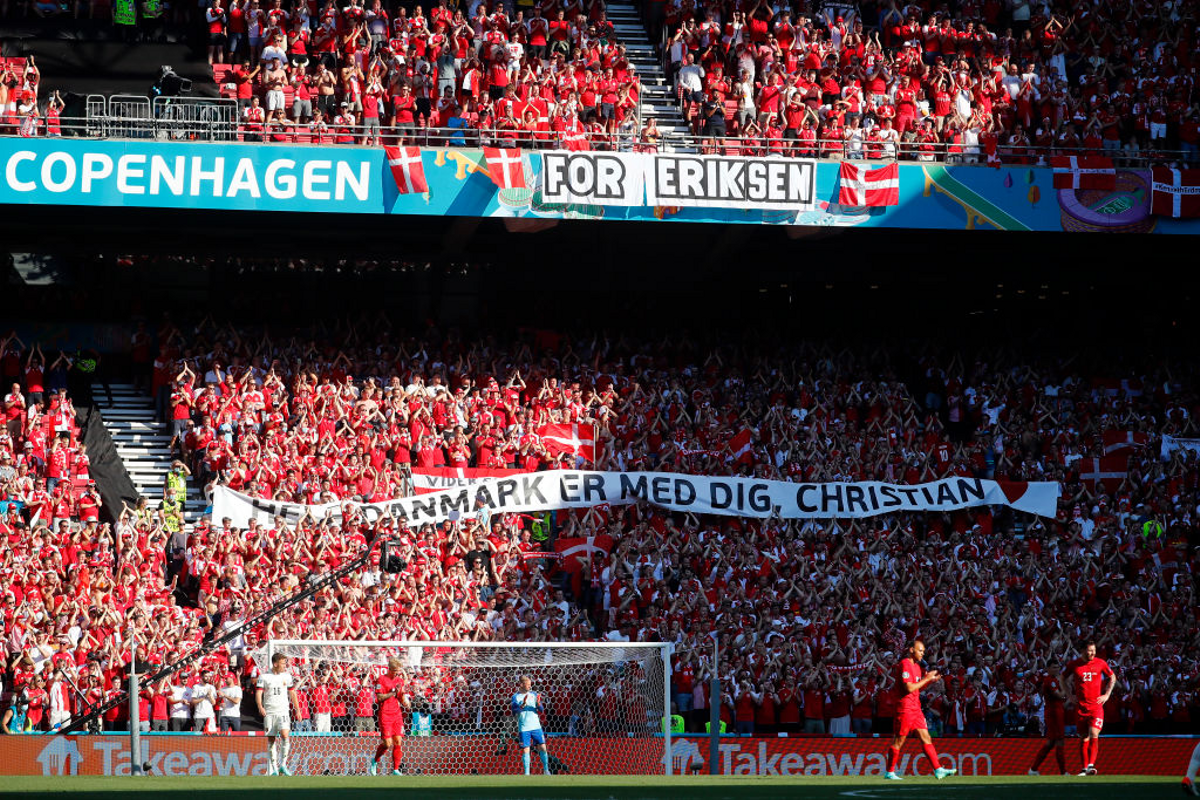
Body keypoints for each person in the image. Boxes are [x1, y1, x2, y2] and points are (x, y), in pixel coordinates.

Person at [883, 639, 955, 781]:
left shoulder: (917, 667)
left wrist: (930, 681)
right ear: (911, 650)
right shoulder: (905, 664)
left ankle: (938, 769)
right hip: (905, 708)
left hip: (916, 708)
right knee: (899, 741)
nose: (923, 653)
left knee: (926, 737)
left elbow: (917, 688)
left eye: (923, 651)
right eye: (920, 650)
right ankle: (889, 772)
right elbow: (909, 688)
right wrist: (926, 678)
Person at [1063, 640, 1116, 777]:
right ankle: (1084, 769)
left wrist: (1107, 695)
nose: (1092, 653)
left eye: (1094, 650)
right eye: (1090, 651)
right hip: (1081, 707)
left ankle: (1091, 766)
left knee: (1094, 734)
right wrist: (1069, 695)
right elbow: (1062, 679)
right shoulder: (1074, 664)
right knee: (1083, 738)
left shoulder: (1101, 663)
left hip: (1096, 707)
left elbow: (1112, 677)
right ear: (1082, 651)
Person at [256, 653, 298, 776]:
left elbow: (292, 693)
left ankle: (283, 765)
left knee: (285, 734)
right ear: (275, 664)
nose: (285, 665)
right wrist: (260, 706)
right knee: (271, 739)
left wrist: (297, 710)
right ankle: (274, 769)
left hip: (283, 711)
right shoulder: (264, 677)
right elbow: (258, 693)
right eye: (283, 663)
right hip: (270, 712)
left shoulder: (287, 676)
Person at [369, 657, 411, 775]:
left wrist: (405, 702)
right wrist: (392, 693)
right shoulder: (381, 680)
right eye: (396, 671)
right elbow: (379, 697)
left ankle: (395, 769)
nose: (398, 673)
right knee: (387, 744)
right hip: (385, 714)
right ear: (390, 669)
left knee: (398, 741)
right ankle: (375, 760)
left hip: (397, 714)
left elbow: (400, 696)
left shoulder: (399, 680)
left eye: (399, 671)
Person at [1028, 667, 1068, 775]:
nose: (1056, 669)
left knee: (1051, 743)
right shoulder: (1050, 681)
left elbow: (1062, 698)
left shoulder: (1054, 680)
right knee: (1058, 741)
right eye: (1054, 667)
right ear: (1048, 668)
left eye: (1058, 667)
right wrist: (1065, 685)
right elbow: (1060, 695)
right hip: (1054, 715)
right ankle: (1063, 772)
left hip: (1056, 713)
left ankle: (1034, 769)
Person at [511, 675, 550, 775]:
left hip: (536, 726)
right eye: (528, 684)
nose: (530, 686)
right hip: (524, 727)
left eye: (530, 684)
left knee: (543, 747)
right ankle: (527, 774)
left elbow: (541, 710)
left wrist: (538, 703)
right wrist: (523, 705)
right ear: (521, 684)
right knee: (526, 750)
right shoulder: (515, 697)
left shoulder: (534, 694)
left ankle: (546, 770)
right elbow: (514, 711)